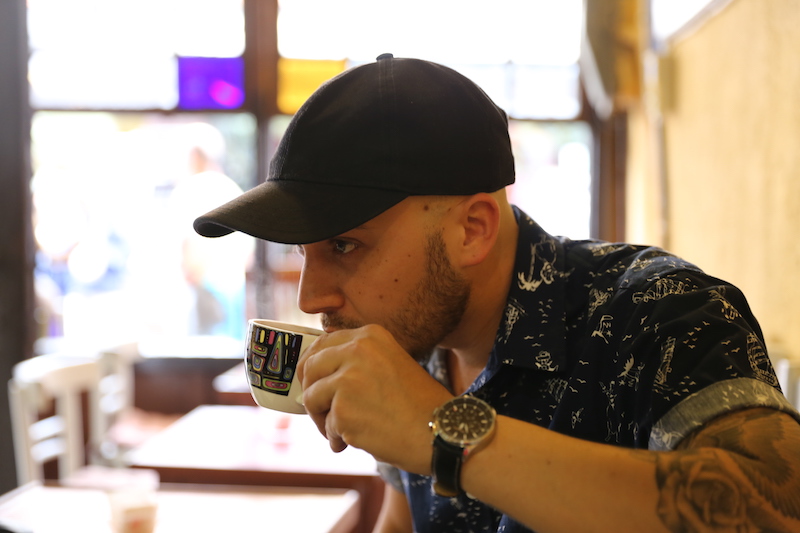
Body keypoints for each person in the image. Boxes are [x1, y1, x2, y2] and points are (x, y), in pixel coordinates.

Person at [193, 54, 800, 533]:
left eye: (345, 246)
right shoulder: (412, 336)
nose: (311, 296)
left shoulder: (660, 312)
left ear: (472, 228)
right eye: (304, 252)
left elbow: (777, 508)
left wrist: (443, 433)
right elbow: (407, 518)